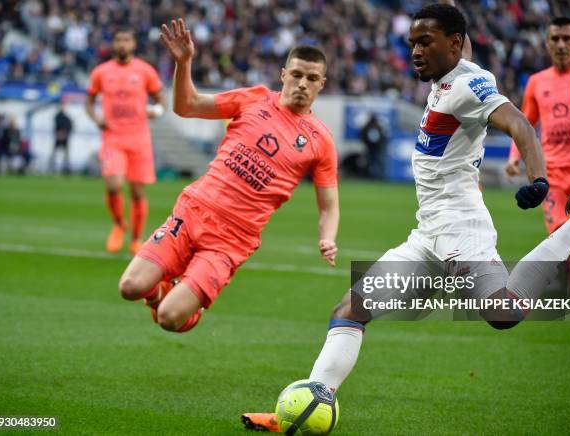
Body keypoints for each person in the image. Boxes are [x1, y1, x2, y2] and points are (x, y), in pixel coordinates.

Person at [241, 4, 570, 431]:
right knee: (351, 308)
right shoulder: (446, 73)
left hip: (461, 229)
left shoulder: (471, 85)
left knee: (503, 314)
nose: (414, 51)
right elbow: (459, 33)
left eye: (424, 42)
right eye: (412, 42)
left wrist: (538, 178)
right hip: (427, 234)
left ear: (452, 44)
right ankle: (303, 407)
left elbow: (520, 123)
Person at [117, 19, 339, 335]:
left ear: (322, 84)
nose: (303, 83)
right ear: (283, 75)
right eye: (297, 74)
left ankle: (176, 303)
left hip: (232, 239)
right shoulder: (254, 99)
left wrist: (327, 238)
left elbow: (329, 205)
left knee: (170, 318)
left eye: (312, 78)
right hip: (193, 211)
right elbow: (187, 105)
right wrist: (184, 63)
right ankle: (160, 291)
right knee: (129, 287)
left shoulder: (320, 141)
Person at [505, 17, 570, 341]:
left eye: (566, 38)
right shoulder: (537, 82)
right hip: (554, 177)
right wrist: (514, 159)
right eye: (554, 39)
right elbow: (523, 122)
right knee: (565, 252)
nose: (560, 44)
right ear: (547, 44)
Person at [85, 28, 166, 254]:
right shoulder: (101, 72)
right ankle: (120, 224)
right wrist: (96, 118)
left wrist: (155, 111)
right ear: (114, 44)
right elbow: (89, 102)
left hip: (139, 138)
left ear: (133, 44)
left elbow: (161, 100)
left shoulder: (145, 71)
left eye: (126, 40)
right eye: (118, 40)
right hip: (112, 137)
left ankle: (136, 238)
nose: (122, 44)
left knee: (138, 192)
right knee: (114, 185)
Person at [360, 114, 387, 179]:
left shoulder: (366, 126)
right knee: (377, 161)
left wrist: (367, 144)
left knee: (369, 162)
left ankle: (368, 175)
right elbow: (383, 137)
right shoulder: (379, 127)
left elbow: (362, 136)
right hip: (376, 148)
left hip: (369, 147)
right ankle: (378, 176)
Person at [49, 101, 73, 174]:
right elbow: (57, 126)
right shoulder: (57, 117)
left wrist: (66, 133)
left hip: (65, 138)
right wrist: (59, 133)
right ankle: (51, 168)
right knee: (54, 153)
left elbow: (70, 126)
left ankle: (66, 169)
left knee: (66, 154)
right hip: (58, 138)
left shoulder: (67, 117)